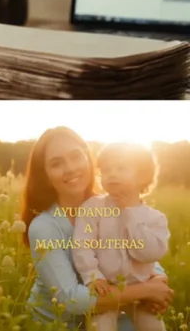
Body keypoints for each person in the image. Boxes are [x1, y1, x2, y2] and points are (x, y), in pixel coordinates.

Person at [21, 127, 174, 330]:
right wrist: (145, 290)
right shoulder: (44, 227)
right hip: (61, 324)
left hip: (115, 310)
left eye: (76, 157)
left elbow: (137, 253)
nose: (70, 168)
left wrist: (158, 279)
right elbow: (71, 299)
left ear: (88, 158)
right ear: (46, 175)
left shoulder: (113, 204)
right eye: (56, 164)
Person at [72, 142, 170, 331]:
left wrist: (129, 213)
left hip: (142, 293)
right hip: (106, 289)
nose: (112, 174)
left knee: (154, 327)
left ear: (142, 175)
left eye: (121, 168)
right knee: (99, 327)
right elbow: (82, 246)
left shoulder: (155, 218)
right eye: (106, 170)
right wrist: (93, 277)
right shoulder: (92, 208)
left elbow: (149, 253)